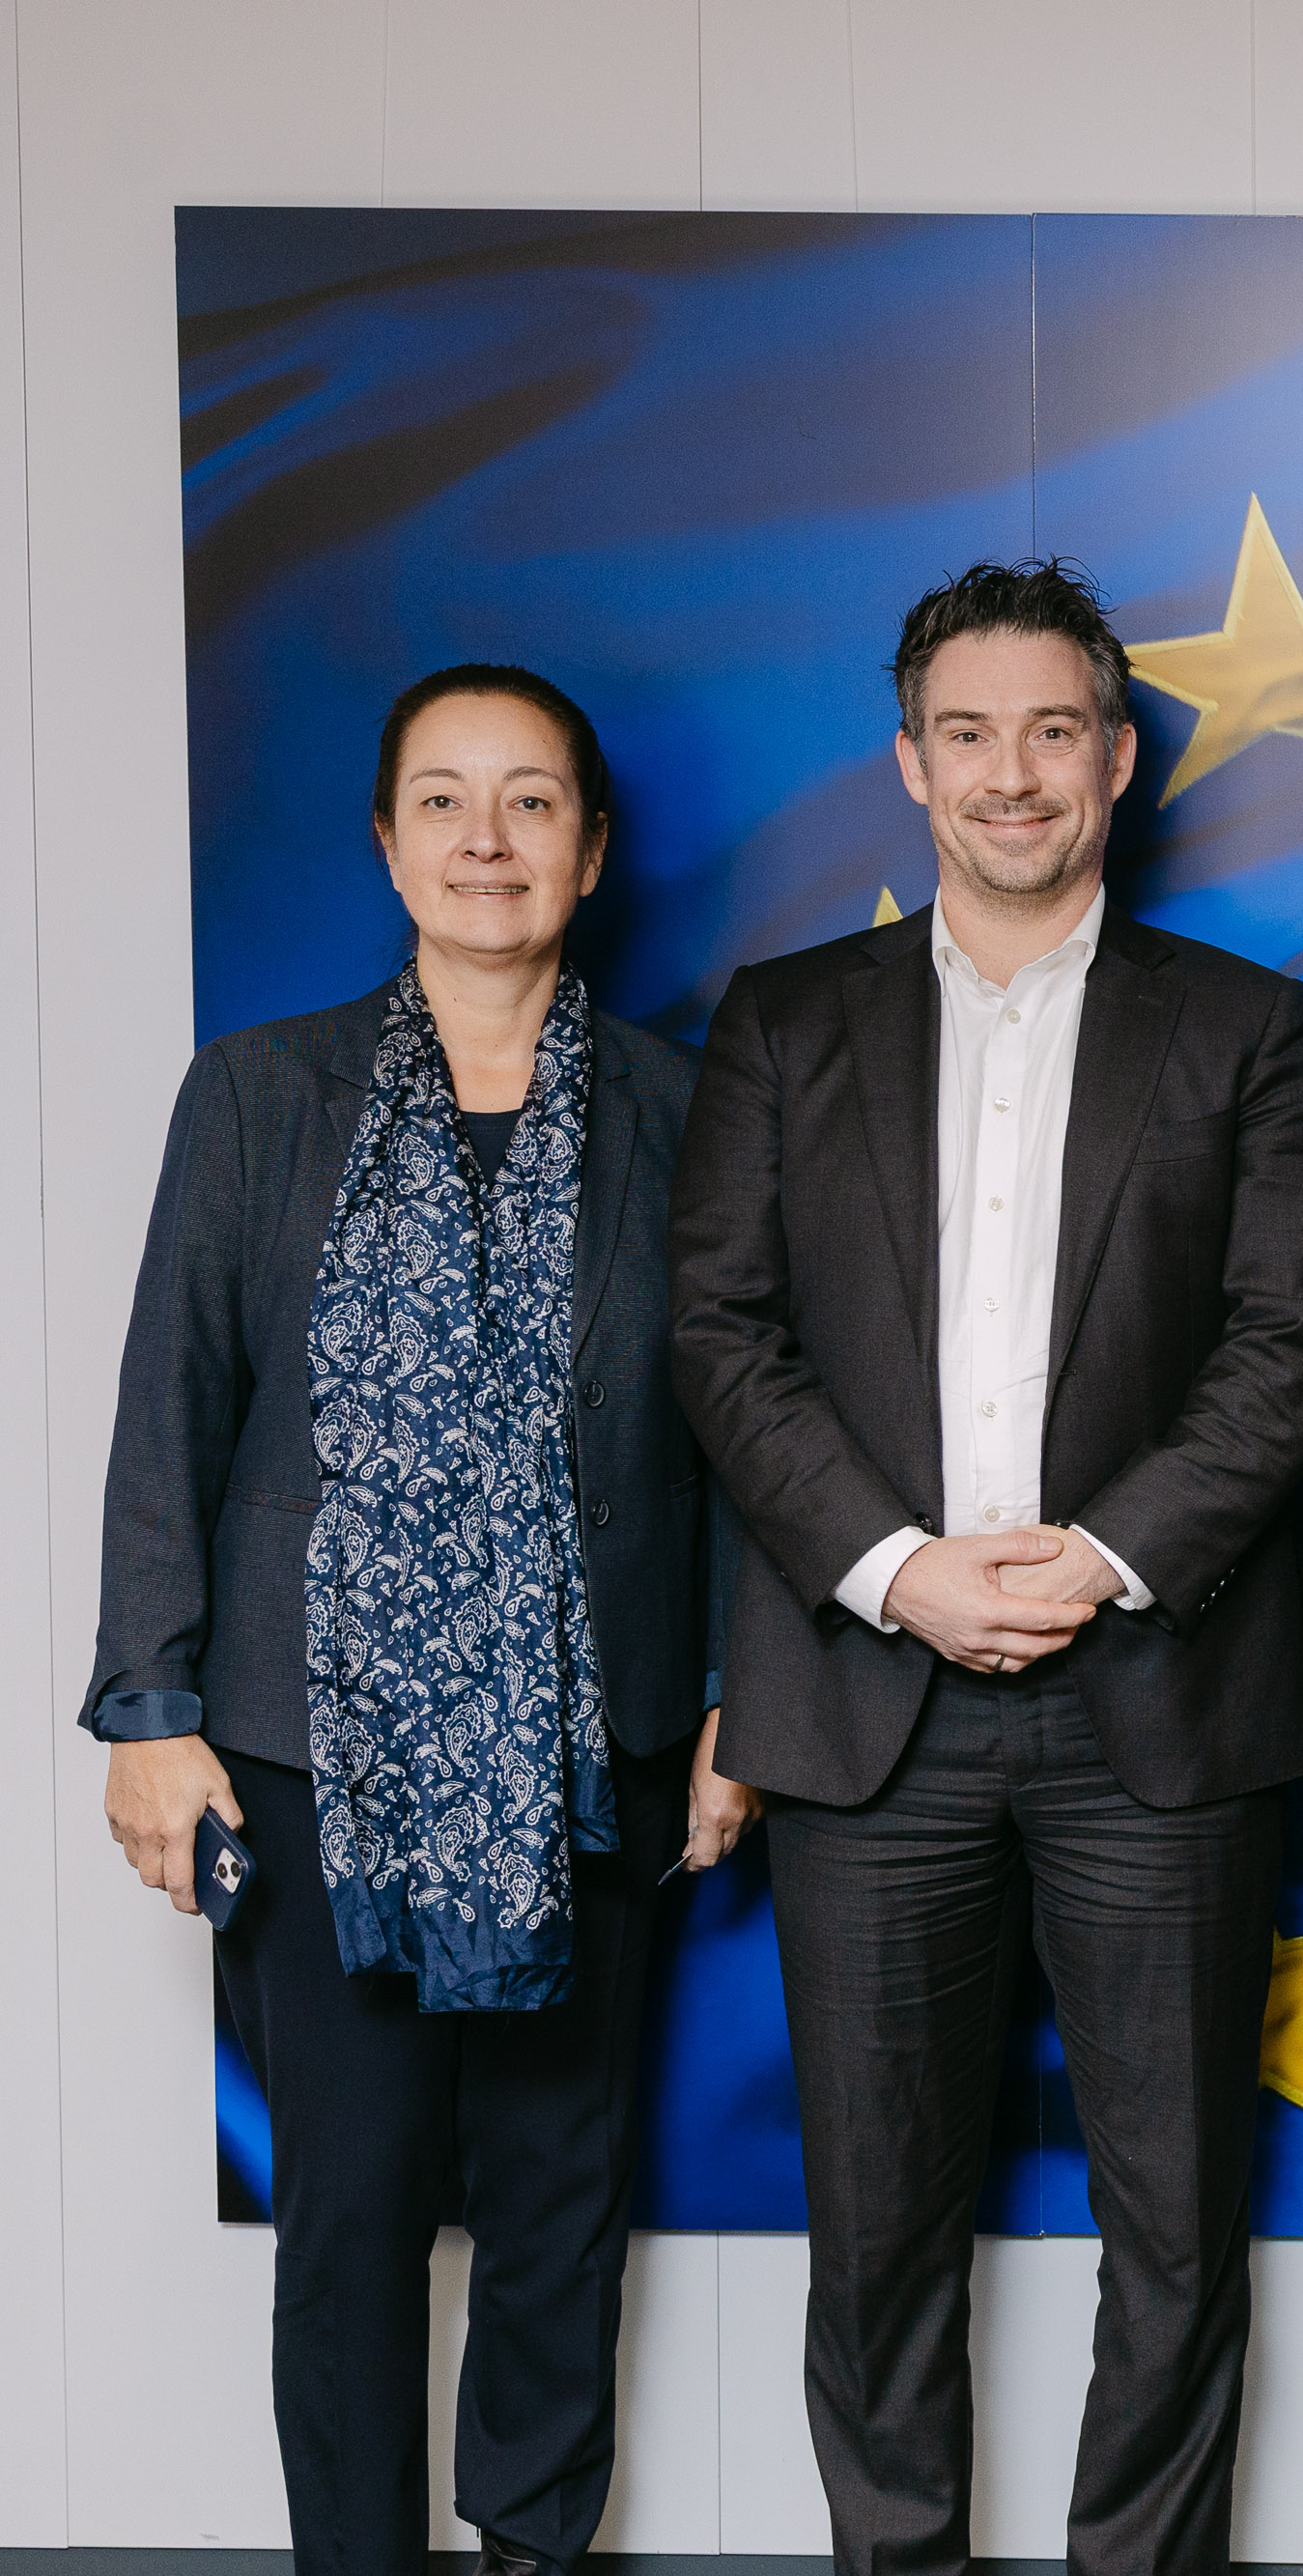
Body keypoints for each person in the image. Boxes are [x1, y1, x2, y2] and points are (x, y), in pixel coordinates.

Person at [669, 562, 1303, 2576]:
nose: (1010, 772)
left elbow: (1291, 1334)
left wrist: (1107, 1554)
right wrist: (896, 1567)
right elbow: (717, 1332)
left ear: (1119, 758)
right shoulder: (785, 1023)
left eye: (1052, 728)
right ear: (908, 763)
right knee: (875, 2223)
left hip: (1155, 1705)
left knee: (1174, 2217)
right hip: (865, 1710)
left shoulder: (1242, 1025)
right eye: (965, 733)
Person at [84, 665, 747, 2576]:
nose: (485, 838)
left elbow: (732, 1441)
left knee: (558, 2195)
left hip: (589, 1739)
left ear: (593, 850)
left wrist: (726, 1705)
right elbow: (169, 1412)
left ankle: (536, 2541)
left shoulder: (693, 1117)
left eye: (529, 801)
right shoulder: (258, 1094)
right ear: (385, 843)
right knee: (352, 2208)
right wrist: (149, 1707)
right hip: (308, 1747)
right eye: (444, 801)